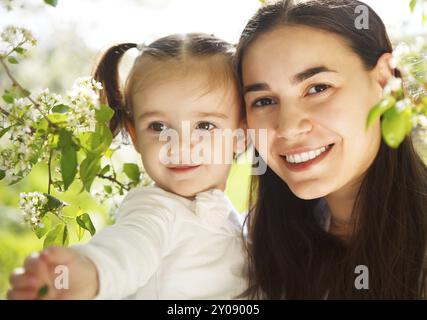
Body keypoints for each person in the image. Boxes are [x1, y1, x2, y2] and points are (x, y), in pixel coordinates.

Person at [8, 33, 247, 300]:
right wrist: (89, 273)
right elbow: (128, 249)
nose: (180, 146)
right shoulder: (156, 210)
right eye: (158, 127)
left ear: (242, 134)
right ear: (135, 136)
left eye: (205, 126)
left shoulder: (236, 222)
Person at [235, 0, 427, 299]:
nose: (287, 127)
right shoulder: (248, 250)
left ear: (384, 81)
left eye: (317, 88)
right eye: (263, 101)